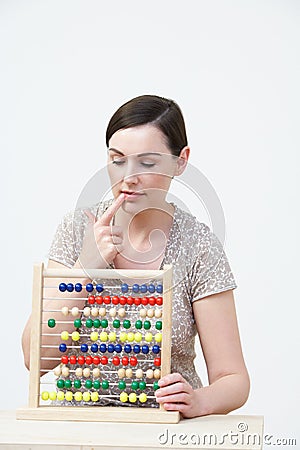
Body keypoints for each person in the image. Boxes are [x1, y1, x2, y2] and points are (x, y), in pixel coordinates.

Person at [22, 94, 250, 418]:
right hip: (77, 428)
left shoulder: (199, 246)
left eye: (147, 162)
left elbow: (234, 379)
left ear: (181, 161)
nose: (129, 176)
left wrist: (200, 401)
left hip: (163, 428)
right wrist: (84, 268)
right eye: (117, 160)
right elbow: (34, 357)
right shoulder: (77, 230)